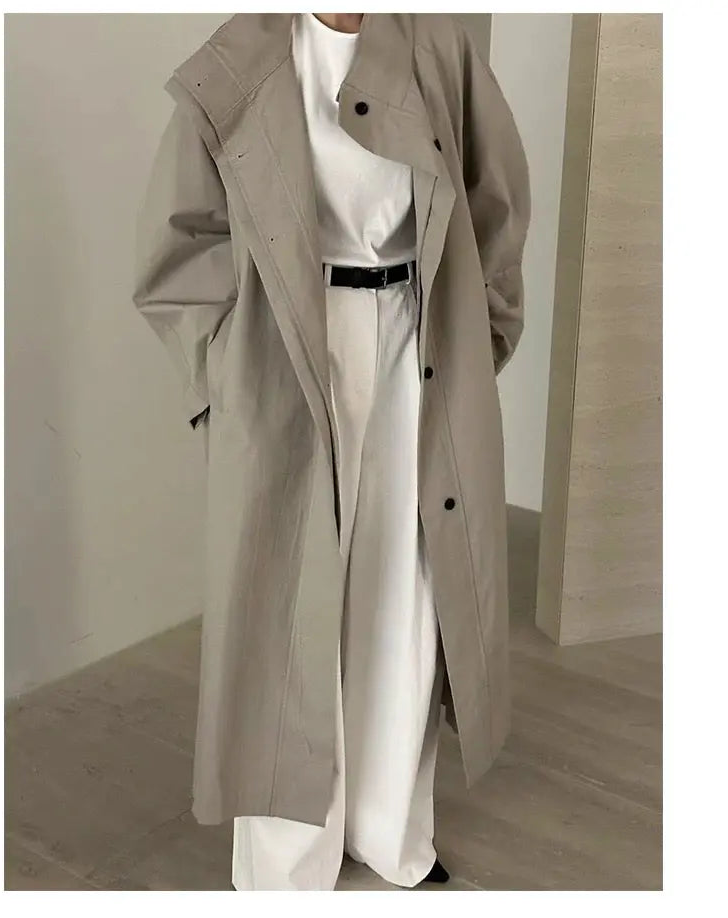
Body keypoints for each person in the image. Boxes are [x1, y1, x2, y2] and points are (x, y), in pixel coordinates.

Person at [133, 11, 531, 892]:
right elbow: (179, 246)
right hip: (289, 343)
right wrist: (223, 372)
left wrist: (484, 335)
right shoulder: (237, 61)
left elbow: (496, 202)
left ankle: (391, 832)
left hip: (417, 335)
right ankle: (288, 865)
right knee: (288, 595)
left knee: (407, 580)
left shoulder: (438, 49)